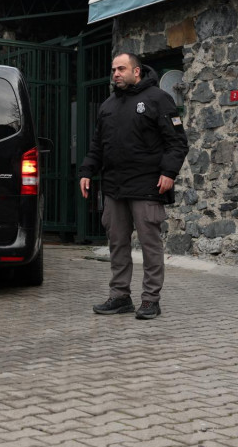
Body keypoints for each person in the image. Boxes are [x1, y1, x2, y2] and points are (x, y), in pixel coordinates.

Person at [79, 53, 189, 320]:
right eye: (113, 69)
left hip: (147, 185)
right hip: (115, 187)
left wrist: (169, 172)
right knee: (117, 243)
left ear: (136, 71)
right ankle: (120, 297)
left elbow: (177, 142)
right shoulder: (108, 105)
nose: (115, 73)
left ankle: (150, 300)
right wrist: (87, 170)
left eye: (121, 69)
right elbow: (98, 145)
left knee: (150, 245)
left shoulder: (158, 99)